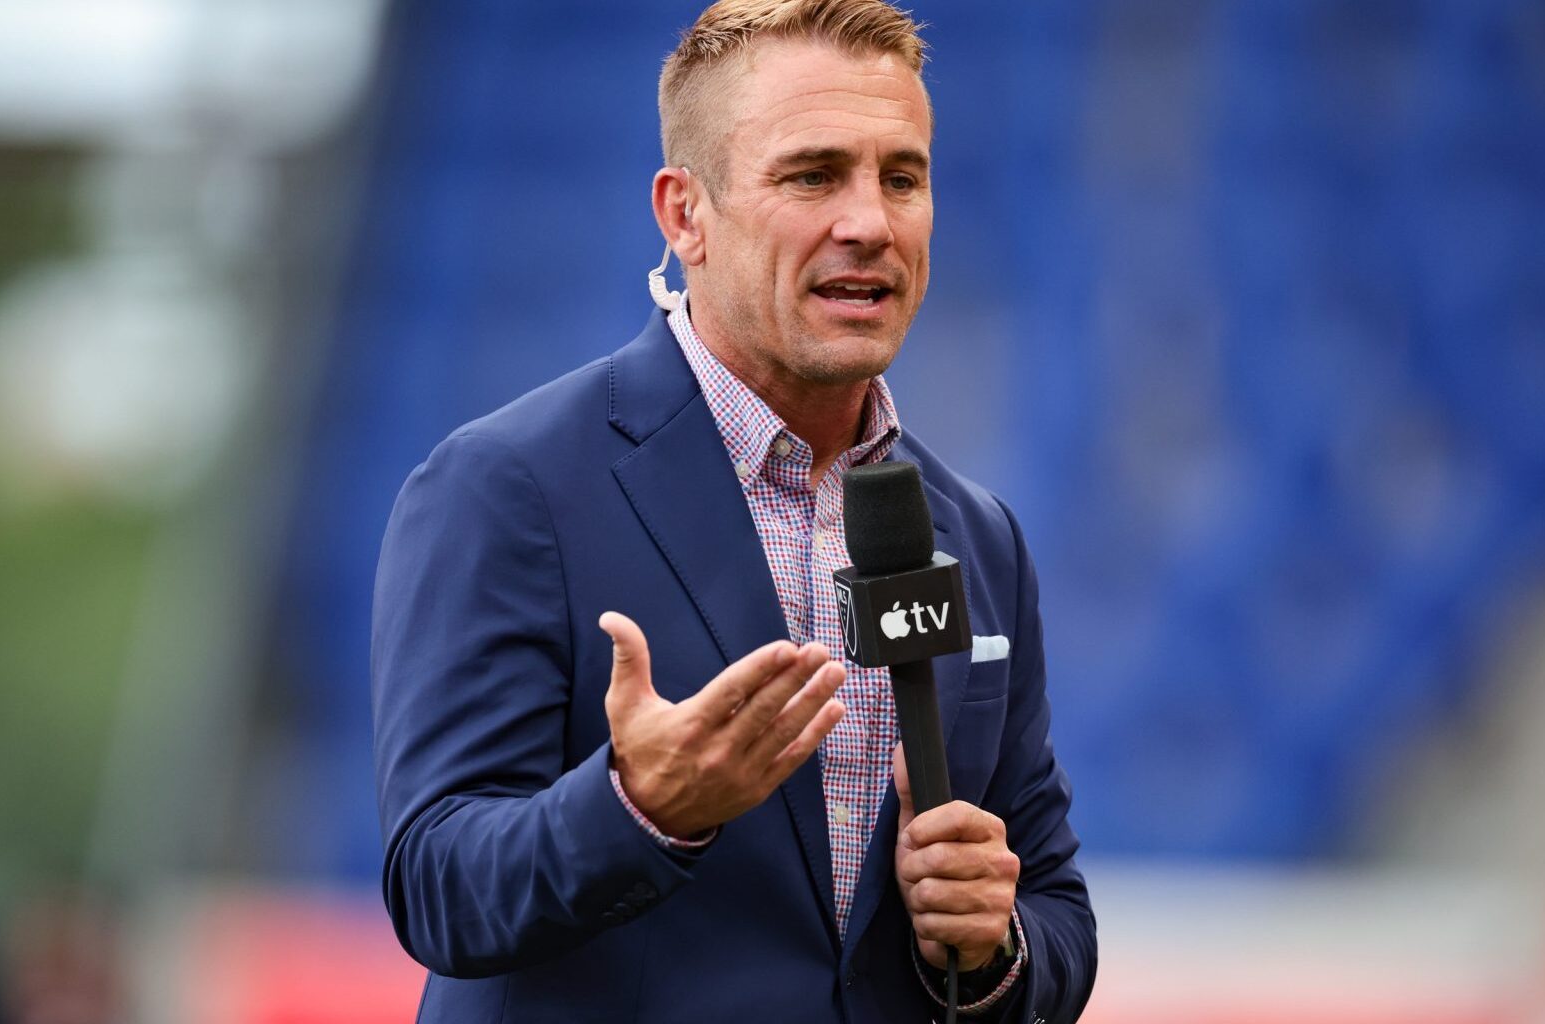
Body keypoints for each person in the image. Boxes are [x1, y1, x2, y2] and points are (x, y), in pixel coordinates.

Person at [370, 2, 1096, 1020]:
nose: (870, 223)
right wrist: (640, 807)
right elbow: (438, 886)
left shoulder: (977, 535)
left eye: (903, 177)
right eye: (812, 174)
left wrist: (993, 938)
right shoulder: (507, 487)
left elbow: (1055, 905)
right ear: (684, 215)